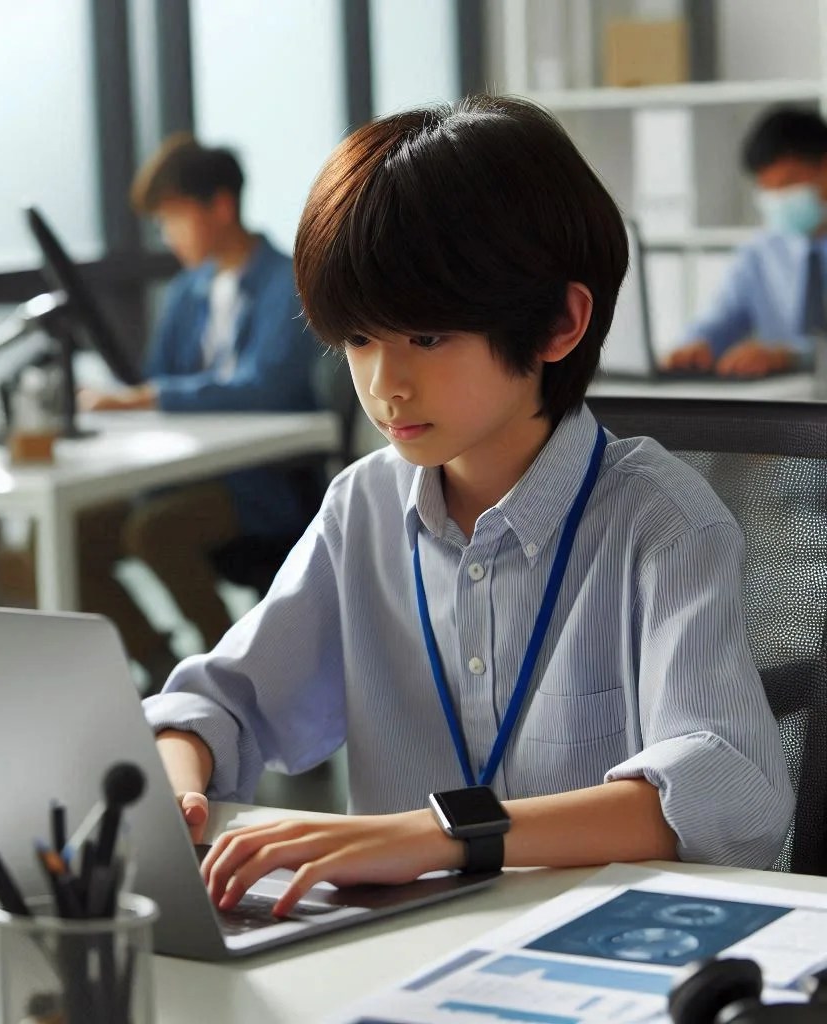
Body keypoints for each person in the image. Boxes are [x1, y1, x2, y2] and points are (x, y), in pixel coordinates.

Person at [145, 96, 794, 918]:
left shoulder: (660, 521)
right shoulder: (363, 508)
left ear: (559, 322)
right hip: (396, 950)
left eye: (426, 338)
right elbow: (220, 704)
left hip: (594, 948)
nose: (385, 384)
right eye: (358, 339)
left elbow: (727, 789)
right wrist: (181, 786)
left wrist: (440, 836)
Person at [76, 135, 320, 685]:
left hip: (261, 483)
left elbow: (267, 388)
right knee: (79, 533)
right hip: (186, 474)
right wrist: (132, 397)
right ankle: (158, 665)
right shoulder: (188, 291)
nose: (167, 235)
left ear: (221, 207)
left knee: (154, 531)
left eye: (174, 217)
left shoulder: (288, 282)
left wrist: (152, 396)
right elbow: (153, 381)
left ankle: (238, 680)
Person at [665, 106, 827, 377]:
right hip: (779, 397)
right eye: (768, 190)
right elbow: (723, 318)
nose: (779, 199)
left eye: (788, 183)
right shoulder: (760, 253)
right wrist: (694, 345)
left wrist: (791, 357)